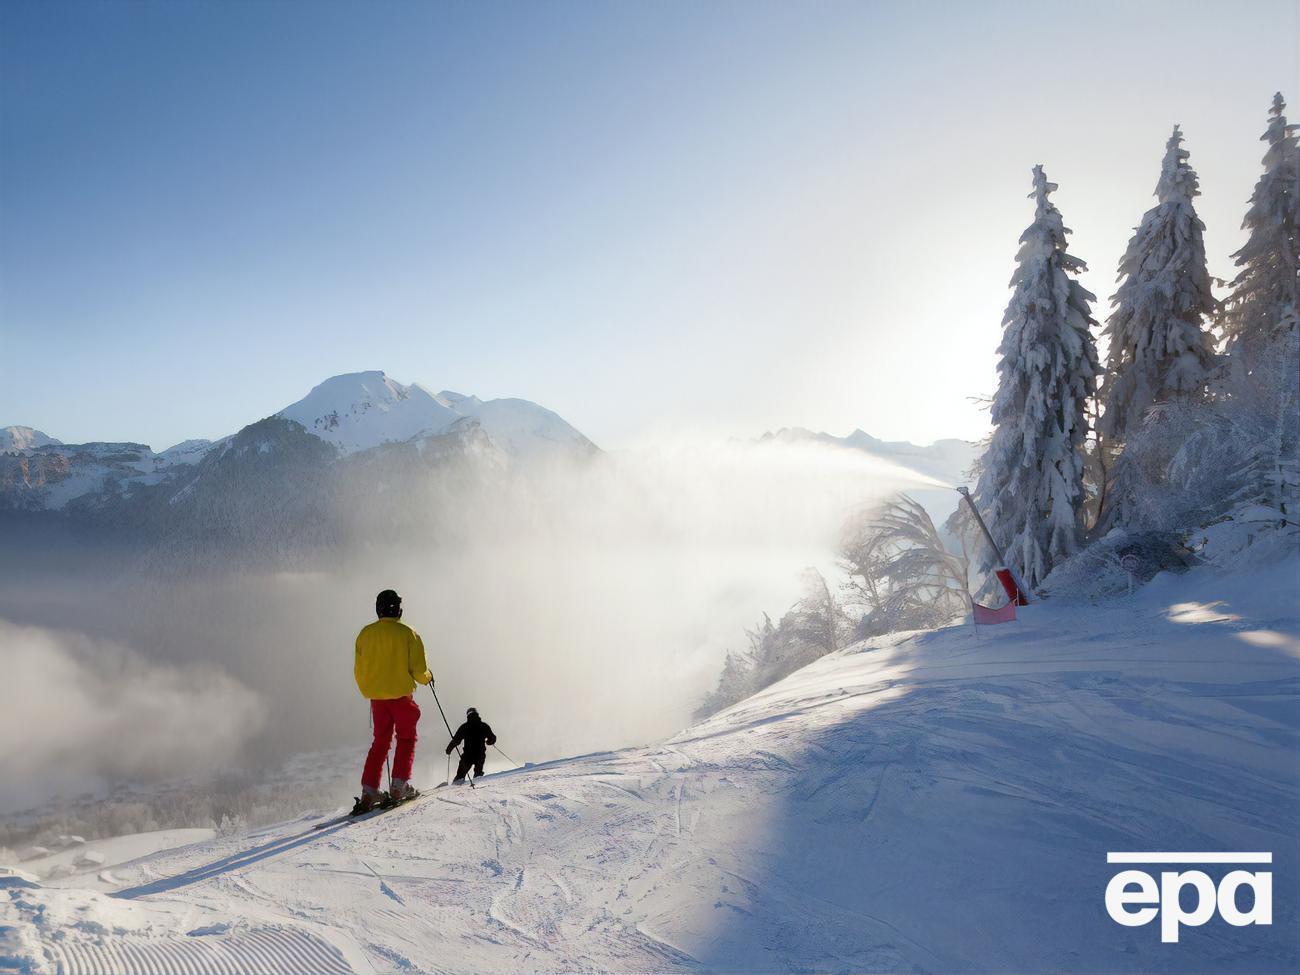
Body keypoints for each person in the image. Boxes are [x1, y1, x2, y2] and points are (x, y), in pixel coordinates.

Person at [353, 589, 432, 812]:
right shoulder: (408, 633)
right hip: (401, 697)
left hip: (377, 699)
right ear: (398, 609)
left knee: (380, 743)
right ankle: (399, 785)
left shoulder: (365, 634)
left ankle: (369, 790)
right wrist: (427, 678)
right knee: (406, 738)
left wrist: (370, 690)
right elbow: (418, 670)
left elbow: (359, 671)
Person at [446, 707, 496, 784]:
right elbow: (492, 738)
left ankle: (456, 786)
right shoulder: (484, 726)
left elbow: (456, 740)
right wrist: (488, 742)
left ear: (468, 715)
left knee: (460, 775)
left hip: (467, 755)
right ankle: (478, 787)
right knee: (478, 773)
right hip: (480, 754)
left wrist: (449, 749)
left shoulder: (464, 727)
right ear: (477, 714)